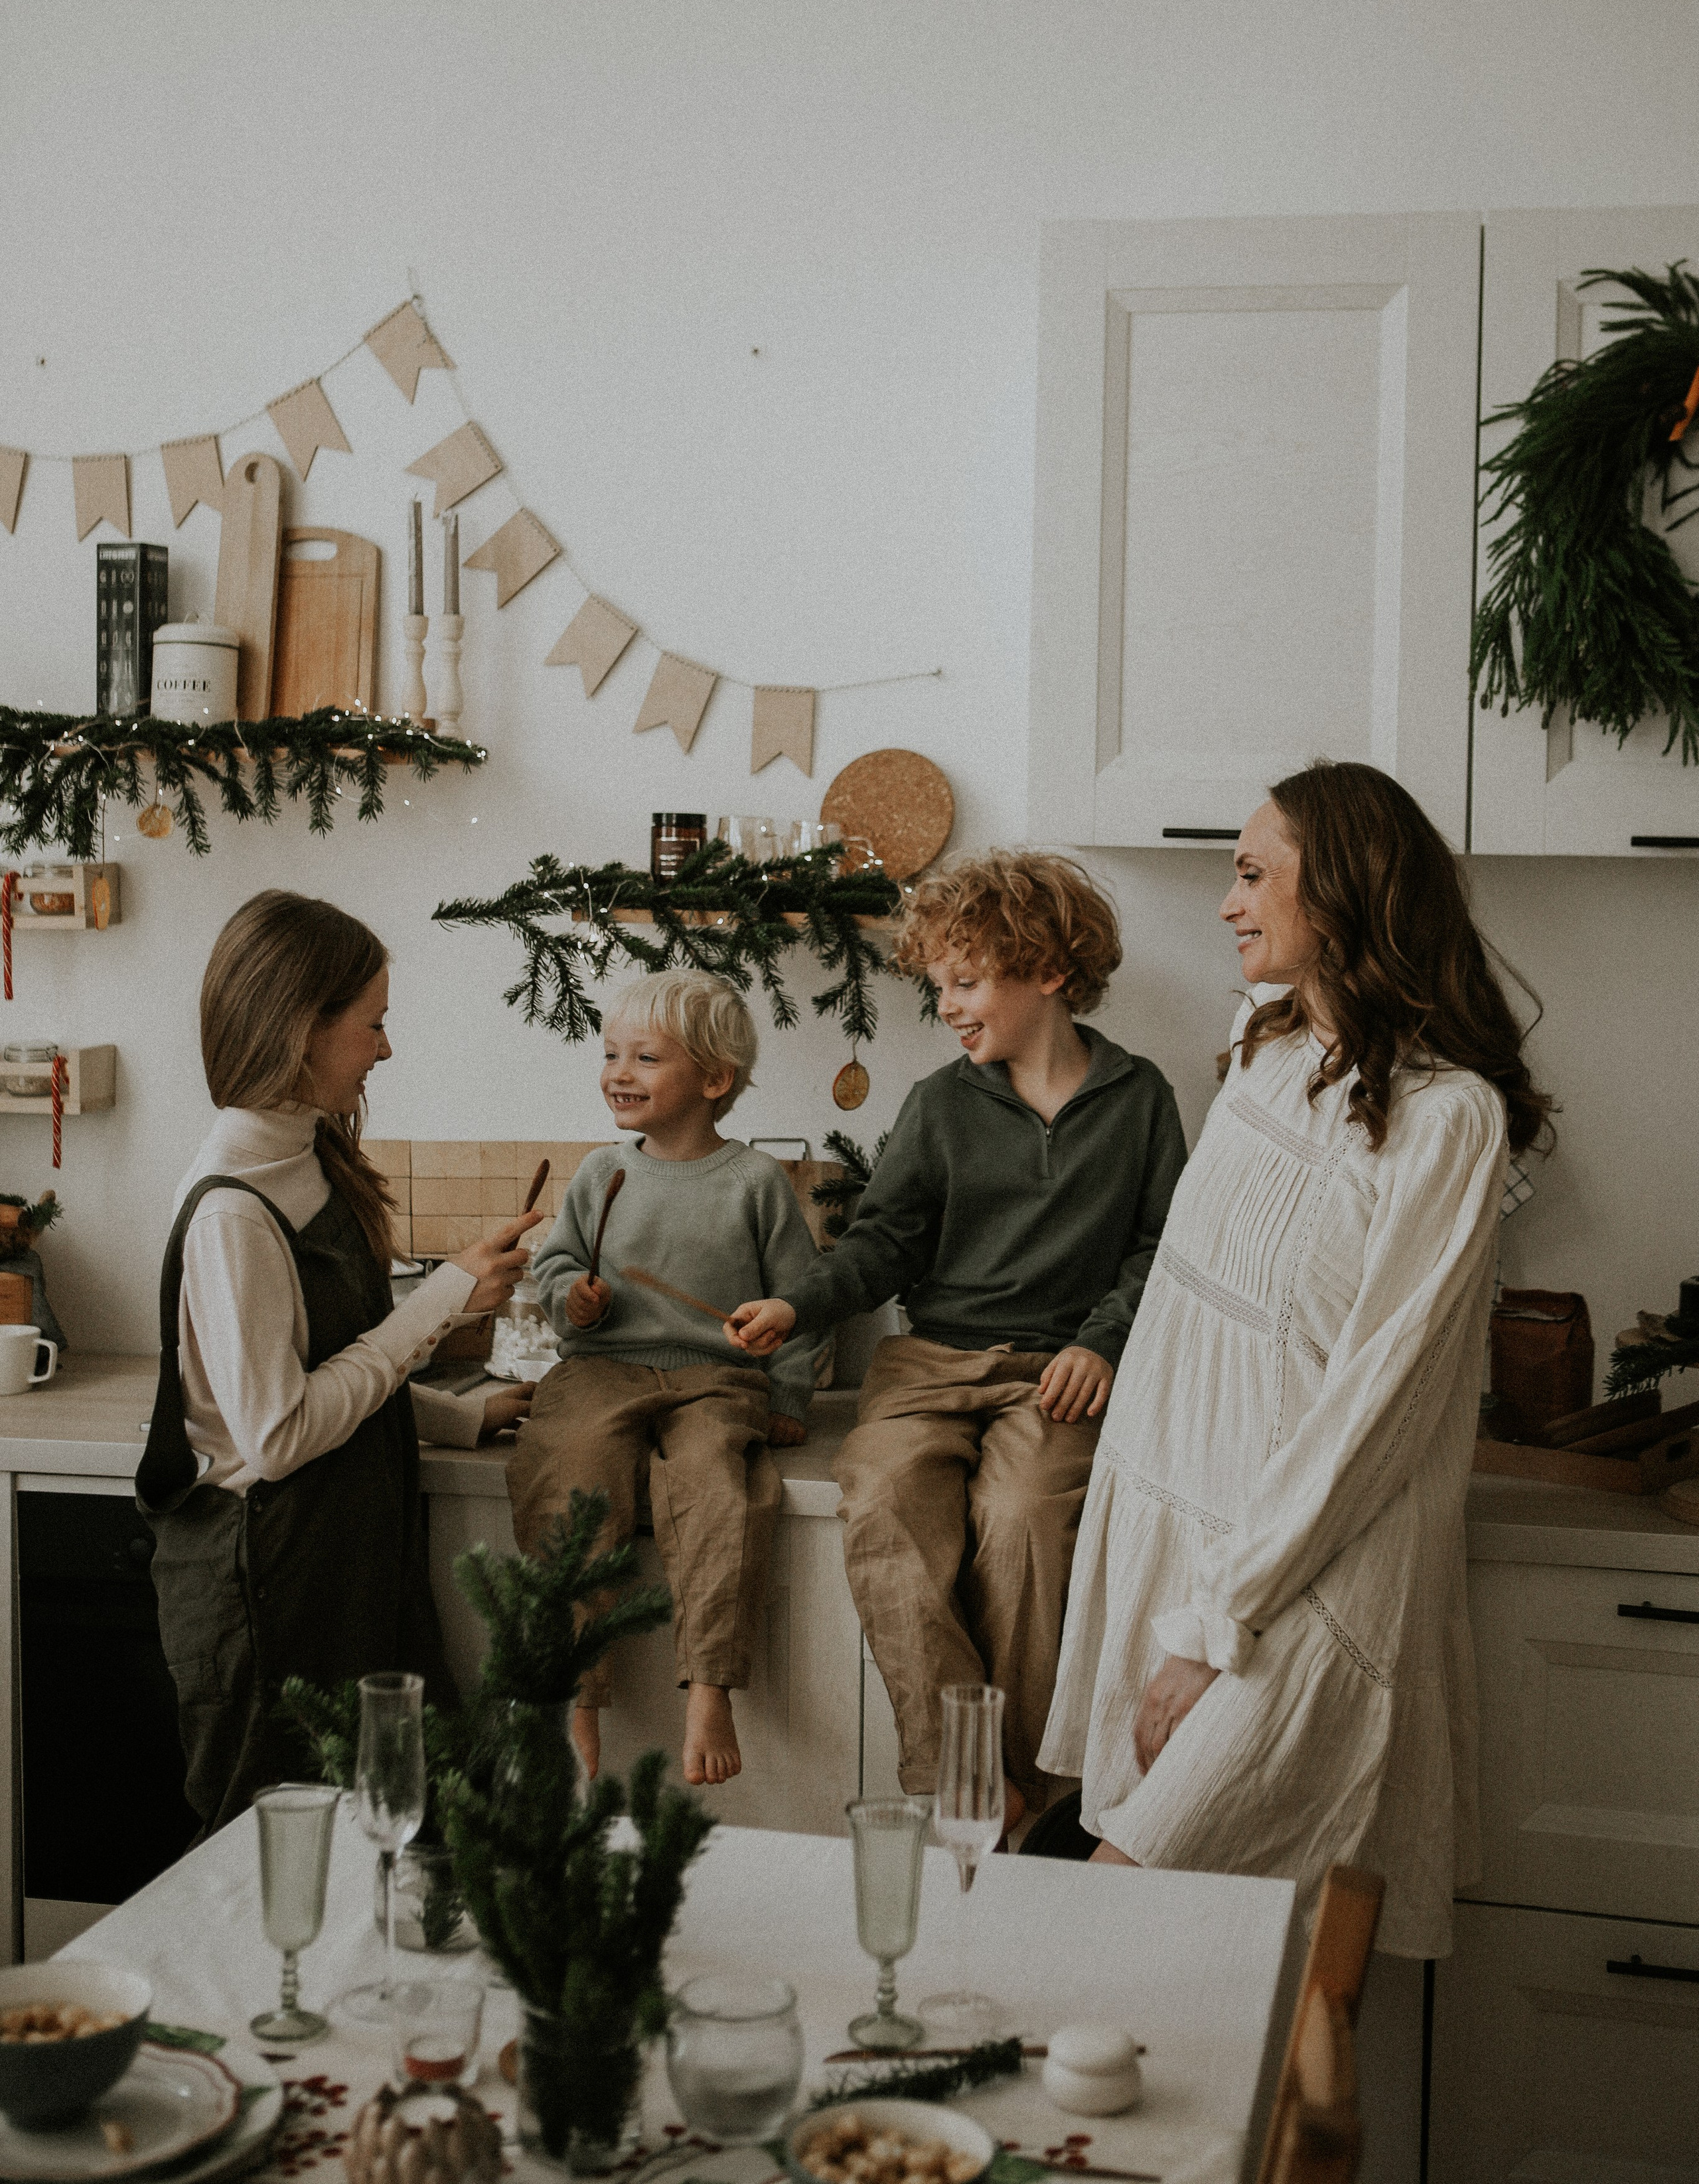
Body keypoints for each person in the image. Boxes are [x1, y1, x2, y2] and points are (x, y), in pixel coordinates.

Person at [1039, 763, 1554, 1957]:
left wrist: (1214, 1626)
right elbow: (1187, 1322)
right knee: (1206, 1977)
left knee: (1121, 1933)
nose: (1226, 901)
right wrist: (1176, 1613)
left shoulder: (1449, 1118)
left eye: (1253, 872)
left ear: (1342, 897)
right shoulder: (1259, 1047)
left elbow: (1372, 1412)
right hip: (1193, 1557)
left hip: (1307, 1595)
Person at [728, 849, 1188, 1825]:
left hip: (1059, 1377)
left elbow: (1162, 1250)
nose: (948, 1005)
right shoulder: (940, 1104)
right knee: (886, 1501)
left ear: (1052, 972)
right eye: (939, 986)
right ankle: (970, 1778)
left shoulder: (1141, 1099)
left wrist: (1102, 1342)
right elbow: (885, 1243)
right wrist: (798, 1307)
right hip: (931, 1365)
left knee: (1025, 1521)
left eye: (969, 981)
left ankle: (1025, 1794)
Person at [139, 891, 540, 1834]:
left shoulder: (310, 1157)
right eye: (374, 1024)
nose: (386, 1049)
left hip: (345, 1558)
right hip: (268, 1585)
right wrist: (446, 1298)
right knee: (271, 1858)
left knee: (403, 1830)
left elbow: (324, 1367)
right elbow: (277, 1436)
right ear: (299, 1030)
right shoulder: (235, 1208)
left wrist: (452, 1416)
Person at [508, 972, 826, 1790]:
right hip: (600, 1369)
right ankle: (574, 1690)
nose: (619, 1071)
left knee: (719, 1489)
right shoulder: (598, 1174)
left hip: (715, 1382)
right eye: (611, 1052)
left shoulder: (754, 1183)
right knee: (570, 1469)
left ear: (714, 1081)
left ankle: (710, 1685)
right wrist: (571, 1298)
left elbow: (797, 1300)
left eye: (646, 1057)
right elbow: (555, 1267)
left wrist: (786, 1395)